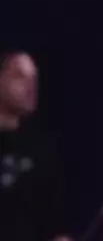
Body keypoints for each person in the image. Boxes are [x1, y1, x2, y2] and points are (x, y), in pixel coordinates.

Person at [0, 50, 73, 241]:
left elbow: (55, 222)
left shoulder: (41, 149)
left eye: (34, 79)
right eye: (20, 76)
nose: (31, 86)